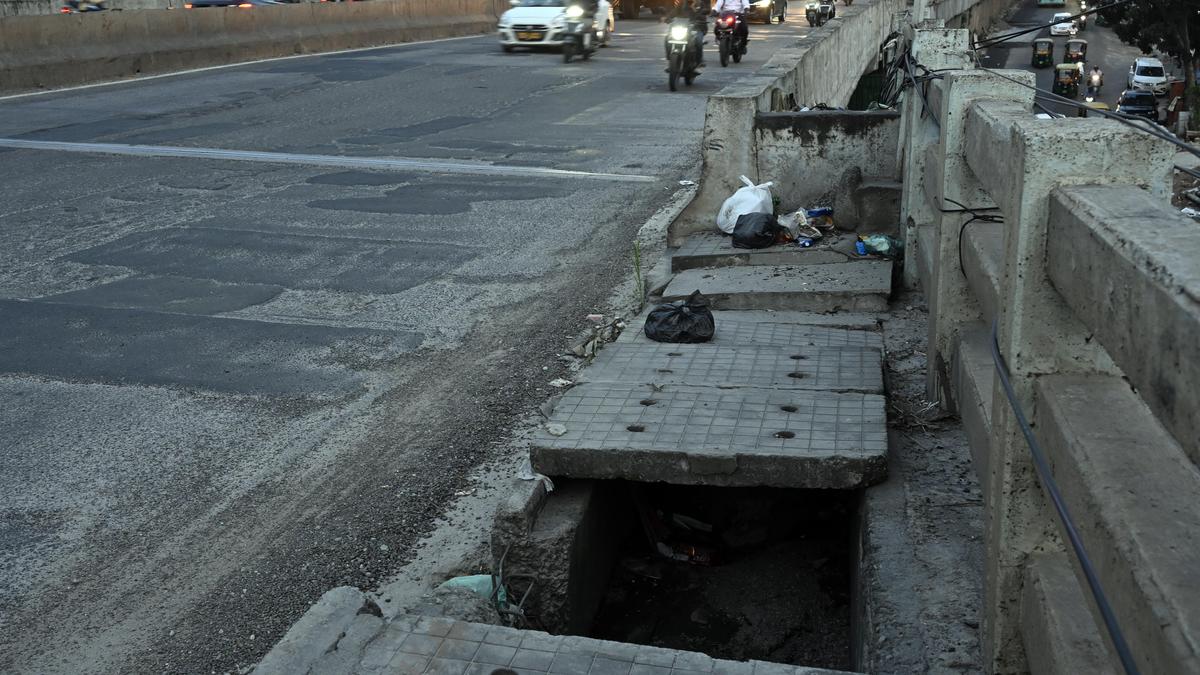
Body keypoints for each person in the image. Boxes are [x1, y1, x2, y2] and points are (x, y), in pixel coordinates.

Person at [664, 0, 708, 67]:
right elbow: (675, 12)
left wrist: (696, 11)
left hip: (697, 28)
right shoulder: (682, 3)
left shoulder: (700, 3)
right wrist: (668, 18)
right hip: (683, 27)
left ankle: (699, 61)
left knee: (698, 41)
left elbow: (705, 13)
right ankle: (669, 57)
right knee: (667, 38)